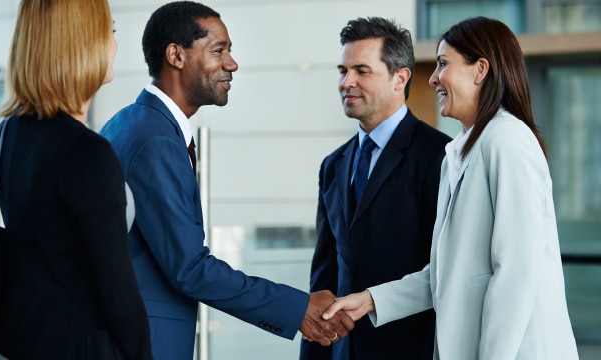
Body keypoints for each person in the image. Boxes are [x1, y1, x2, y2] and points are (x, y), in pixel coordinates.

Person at [99, 2, 353, 359]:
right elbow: (188, 268)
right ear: (176, 55)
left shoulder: (133, 123)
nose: (231, 63)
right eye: (219, 50)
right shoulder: (155, 139)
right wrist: (298, 309)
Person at [322, 16, 580, 360]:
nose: (432, 79)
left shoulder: (508, 140)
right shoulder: (460, 152)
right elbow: (447, 275)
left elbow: (518, 272)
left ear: (480, 70)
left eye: (443, 64)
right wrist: (371, 300)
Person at [0, 0, 152, 359]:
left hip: (18, 341)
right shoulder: (86, 153)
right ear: (82, 42)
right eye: (109, 32)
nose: (114, 45)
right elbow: (120, 301)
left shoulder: (11, 132)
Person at [299, 17, 452, 360]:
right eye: (343, 70)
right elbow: (325, 273)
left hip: (411, 350)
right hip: (342, 351)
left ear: (400, 78)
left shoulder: (440, 156)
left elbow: (447, 272)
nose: (346, 82)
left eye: (361, 71)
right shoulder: (333, 165)